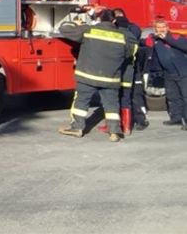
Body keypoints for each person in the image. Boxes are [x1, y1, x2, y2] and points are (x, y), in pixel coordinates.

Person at [57, 8, 137, 142]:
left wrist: (79, 23)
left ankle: (77, 127)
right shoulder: (122, 36)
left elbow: (64, 28)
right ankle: (114, 132)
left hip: (87, 76)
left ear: (98, 19)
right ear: (114, 20)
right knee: (111, 106)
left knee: (81, 102)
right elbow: (130, 52)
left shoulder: (88, 30)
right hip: (110, 79)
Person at [145, 18, 187, 130]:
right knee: (173, 97)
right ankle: (176, 118)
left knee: (185, 96)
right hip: (168, 73)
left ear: (167, 28)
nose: (161, 30)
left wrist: (167, 38)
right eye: (158, 28)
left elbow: (184, 45)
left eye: (163, 27)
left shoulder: (175, 37)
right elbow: (146, 45)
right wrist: (151, 37)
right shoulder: (155, 40)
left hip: (183, 71)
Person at [113, 8, 147, 132]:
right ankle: (123, 124)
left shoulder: (132, 28)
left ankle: (140, 120)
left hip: (132, 67)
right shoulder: (125, 28)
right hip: (121, 68)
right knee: (119, 96)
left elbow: (133, 39)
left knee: (135, 96)